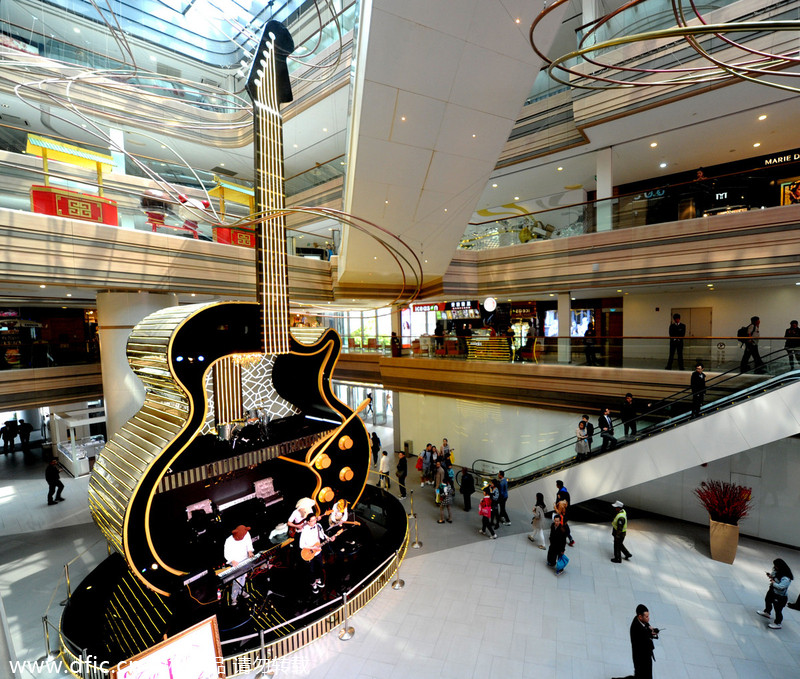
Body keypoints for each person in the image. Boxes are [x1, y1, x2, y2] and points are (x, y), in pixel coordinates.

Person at [298, 514, 333, 593]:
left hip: (318, 551)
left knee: (319, 567)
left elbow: (322, 535)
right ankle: (313, 584)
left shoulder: (318, 526)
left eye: (315, 520)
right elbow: (301, 545)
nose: (314, 522)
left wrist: (329, 538)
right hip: (309, 552)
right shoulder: (305, 530)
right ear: (308, 522)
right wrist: (312, 548)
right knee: (311, 570)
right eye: (312, 520)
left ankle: (317, 580)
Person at [624, 604, 659, 679]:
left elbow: (647, 626)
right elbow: (646, 639)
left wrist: (650, 630)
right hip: (641, 659)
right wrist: (651, 633)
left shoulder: (639, 620)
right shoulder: (638, 629)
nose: (648, 619)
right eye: (646, 617)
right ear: (640, 616)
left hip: (645, 656)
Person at [757, 558, 794, 629]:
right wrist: (771, 575)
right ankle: (767, 612)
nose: (774, 567)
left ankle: (778, 623)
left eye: (776, 566)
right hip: (772, 591)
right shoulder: (777, 571)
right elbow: (774, 576)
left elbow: (781, 587)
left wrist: (773, 583)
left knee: (778, 609)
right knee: (767, 600)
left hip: (780, 596)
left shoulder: (786, 578)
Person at [223, 525, 254, 605]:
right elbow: (226, 553)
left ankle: (241, 591)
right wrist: (232, 561)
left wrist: (250, 552)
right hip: (236, 562)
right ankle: (234, 598)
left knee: (243, 577)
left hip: (245, 559)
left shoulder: (246, 533)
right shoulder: (229, 540)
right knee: (236, 581)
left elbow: (249, 543)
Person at [554, 480, 575, 546]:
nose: (556, 485)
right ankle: (570, 539)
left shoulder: (562, 493)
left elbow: (560, 504)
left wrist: (555, 507)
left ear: (559, 485)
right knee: (564, 524)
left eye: (556, 484)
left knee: (562, 525)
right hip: (565, 512)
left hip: (563, 513)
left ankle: (565, 539)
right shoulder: (564, 491)